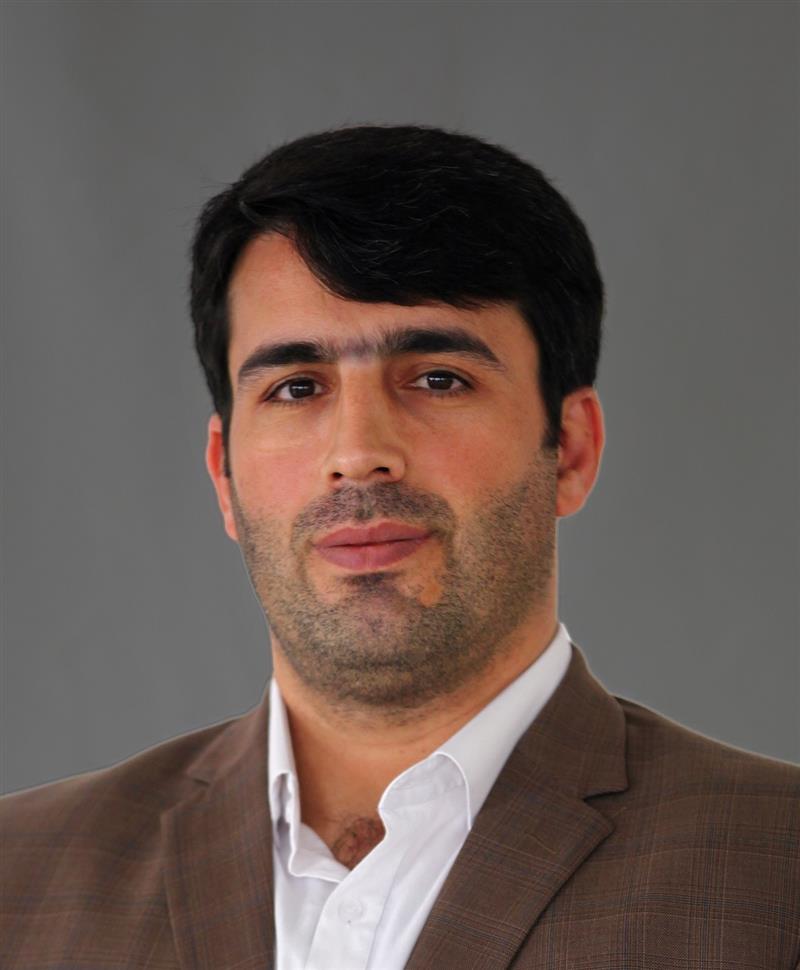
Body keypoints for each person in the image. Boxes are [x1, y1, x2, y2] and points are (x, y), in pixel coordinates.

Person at [1, 124, 798, 970]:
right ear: (224, 474)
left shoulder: (774, 873)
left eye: (438, 378)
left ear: (570, 448)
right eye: (296, 388)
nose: (358, 452)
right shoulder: (19, 879)